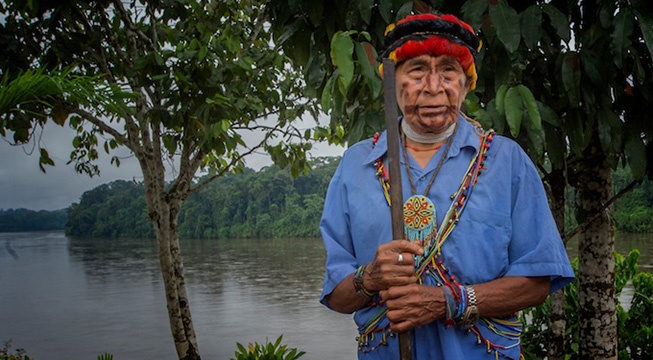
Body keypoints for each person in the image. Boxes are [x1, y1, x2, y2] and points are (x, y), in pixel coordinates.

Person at [319, 12, 574, 360]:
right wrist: (370, 277)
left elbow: (537, 283)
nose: (434, 87)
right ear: (393, 82)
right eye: (417, 70)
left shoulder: (506, 161)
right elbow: (337, 297)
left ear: (466, 84)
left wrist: (446, 302)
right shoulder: (356, 166)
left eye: (449, 71)